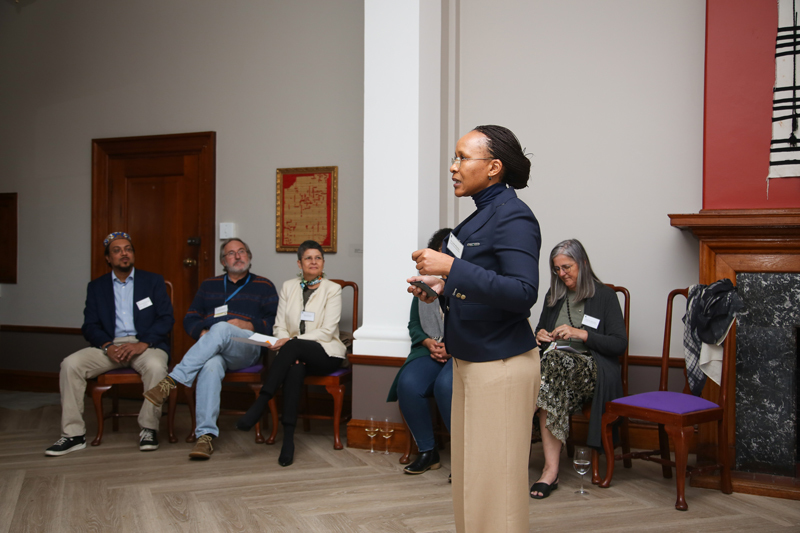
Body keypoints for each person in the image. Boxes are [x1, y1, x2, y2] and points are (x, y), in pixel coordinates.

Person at [408, 125, 541, 533]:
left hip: (500, 364)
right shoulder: (474, 222)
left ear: (494, 167)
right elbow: (479, 286)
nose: (453, 167)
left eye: (463, 157)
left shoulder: (514, 215)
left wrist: (451, 268)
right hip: (469, 362)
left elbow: (523, 292)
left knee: (496, 486)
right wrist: (441, 289)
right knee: (472, 478)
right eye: (455, 157)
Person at [143, 238, 278, 460]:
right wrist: (202, 333)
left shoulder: (264, 286)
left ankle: (171, 382)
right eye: (231, 253)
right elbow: (190, 318)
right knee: (211, 364)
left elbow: (275, 322)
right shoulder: (209, 285)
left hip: (248, 346)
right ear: (223, 262)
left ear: (249, 256)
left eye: (241, 251)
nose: (237, 256)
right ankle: (205, 437)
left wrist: (249, 325)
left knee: (222, 328)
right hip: (215, 347)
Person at [46, 232, 174, 456]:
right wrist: (107, 346)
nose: (124, 254)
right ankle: (73, 434)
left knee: (156, 368)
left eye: (128, 249)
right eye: (117, 250)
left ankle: (148, 428)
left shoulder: (152, 281)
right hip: (110, 347)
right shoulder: (96, 287)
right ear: (108, 258)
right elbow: (90, 325)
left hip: (145, 346)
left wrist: (143, 343)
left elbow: (166, 318)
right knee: (70, 364)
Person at [529, 239, 627, 499]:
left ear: (582, 263)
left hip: (591, 370)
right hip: (554, 370)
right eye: (557, 269)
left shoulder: (604, 296)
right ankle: (551, 470)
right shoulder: (554, 297)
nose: (562, 274)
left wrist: (581, 334)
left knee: (550, 371)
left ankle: (544, 468)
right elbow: (539, 333)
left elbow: (619, 344)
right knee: (546, 377)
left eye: (567, 267)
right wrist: (539, 335)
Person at [236, 240, 346, 467]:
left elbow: (327, 332)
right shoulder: (288, 287)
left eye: (318, 258)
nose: (313, 262)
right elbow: (279, 326)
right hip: (295, 353)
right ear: (299, 263)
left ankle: (261, 402)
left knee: (293, 348)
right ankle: (288, 441)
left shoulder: (332, 289)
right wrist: (289, 343)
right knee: (295, 369)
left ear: (323, 263)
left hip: (325, 353)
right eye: (308, 258)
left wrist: (290, 344)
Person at [388, 227, 453, 475]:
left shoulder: (466, 282)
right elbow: (414, 325)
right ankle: (428, 451)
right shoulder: (423, 283)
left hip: (459, 353)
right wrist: (427, 342)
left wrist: (452, 348)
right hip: (430, 349)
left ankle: (464, 456)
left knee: (446, 386)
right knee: (409, 383)